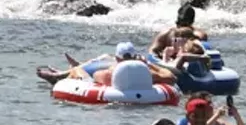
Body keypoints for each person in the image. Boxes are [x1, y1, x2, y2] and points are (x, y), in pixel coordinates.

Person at [37, 42, 178, 86]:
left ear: (118, 58)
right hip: (143, 84)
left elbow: (96, 77)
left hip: (110, 84)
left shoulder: (112, 72)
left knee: (78, 72)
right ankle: (69, 70)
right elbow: (171, 77)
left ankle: (61, 75)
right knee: (103, 58)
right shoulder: (149, 73)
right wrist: (148, 64)